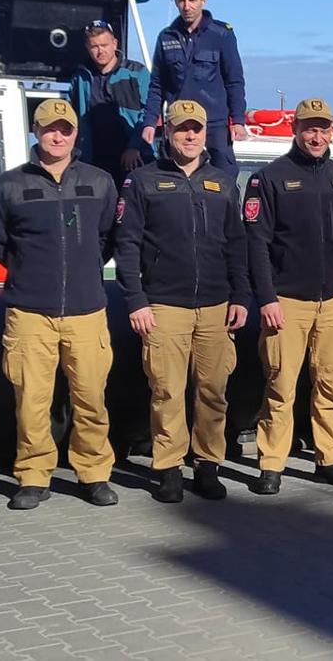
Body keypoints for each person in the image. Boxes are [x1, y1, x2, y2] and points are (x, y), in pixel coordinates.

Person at [0, 98, 121, 510]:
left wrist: (83, 268)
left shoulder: (100, 182)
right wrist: (28, 271)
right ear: (35, 132)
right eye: (48, 129)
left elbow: (108, 238)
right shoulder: (8, 185)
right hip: (29, 311)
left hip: (86, 309)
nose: (57, 136)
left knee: (91, 398)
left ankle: (93, 473)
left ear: (75, 134)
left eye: (65, 129)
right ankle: (33, 475)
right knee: (31, 401)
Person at [116, 99, 250, 503]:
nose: (190, 136)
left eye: (196, 129)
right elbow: (127, 244)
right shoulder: (143, 181)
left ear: (205, 134)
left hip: (215, 305)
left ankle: (207, 465)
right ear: (167, 133)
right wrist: (136, 300)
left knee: (213, 391)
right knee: (167, 392)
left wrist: (241, 296)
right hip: (164, 305)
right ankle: (169, 467)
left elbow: (236, 244)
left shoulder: (222, 182)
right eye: (181, 129)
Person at [242, 97, 333, 494]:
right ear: (295, 130)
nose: (316, 137)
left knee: (332, 385)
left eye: (322, 129)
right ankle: (271, 463)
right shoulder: (269, 179)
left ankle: (330, 458)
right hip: (287, 301)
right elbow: (256, 243)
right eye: (309, 129)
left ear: (332, 132)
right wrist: (266, 298)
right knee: (280, 386)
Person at [141, 0, 246, 170]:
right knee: (175, 177)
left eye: (192, 0)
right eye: (181, 0)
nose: (187, 6)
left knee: (225, 178)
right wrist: (149, 122)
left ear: (203, 1)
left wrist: (238, 120)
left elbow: (234, 81)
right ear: (175, 1)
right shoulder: (166, 37)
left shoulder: (222, 34)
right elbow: (157, 85)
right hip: (179, 123)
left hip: (214, 124)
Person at [74, 22, 153, 182]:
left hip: (133, 159)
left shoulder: (137, 73)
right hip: (94, 160)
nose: (100, 51)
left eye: (104, 45)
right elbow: (73, 115)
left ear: (115, 43)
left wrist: (135, 146)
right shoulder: (81, 77)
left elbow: (150, 112)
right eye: (94, 46)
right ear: (87, 47)